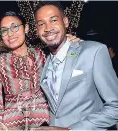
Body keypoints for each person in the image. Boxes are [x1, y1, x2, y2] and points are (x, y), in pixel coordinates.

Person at [0, 11, 80, 130]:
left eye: (14, 27)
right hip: (11, 126)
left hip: (45, 124)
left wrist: (70, 43)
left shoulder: (44, 55)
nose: (10, 34)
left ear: (25, 28)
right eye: (4, 30)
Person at [33, 1, 118, 130]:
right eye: (41, 24)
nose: (48, 28)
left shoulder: (93, 51)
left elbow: (115, 107)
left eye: (54, 20)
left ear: (65, 22)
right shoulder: (43, 62)